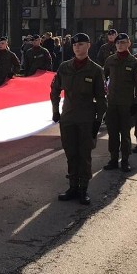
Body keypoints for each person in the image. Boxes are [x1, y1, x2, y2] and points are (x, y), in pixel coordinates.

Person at [50, 33, 106, 205]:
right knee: (71, 154)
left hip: (86, 119)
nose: (77, 47)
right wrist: (55, 111)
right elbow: (54, 90)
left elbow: (101, 98)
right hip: (68, 118)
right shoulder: (65, 67)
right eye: (74, 45)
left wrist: (97, 121)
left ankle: (83, 189)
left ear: (88, 46)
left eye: (81, 44)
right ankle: (72, 187)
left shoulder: (96, 70)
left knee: (84, 155)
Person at [102, 33, 137, 172]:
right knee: (113, 133)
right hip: (112, 104)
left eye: (123, 42)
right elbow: (105, 78)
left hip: (126, 104)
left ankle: (125, 160)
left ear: (128, 44)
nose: (120, 45)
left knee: (125, 133)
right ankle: (113, 159)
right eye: (118, 43)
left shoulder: (133, 62)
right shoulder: (110, 60)